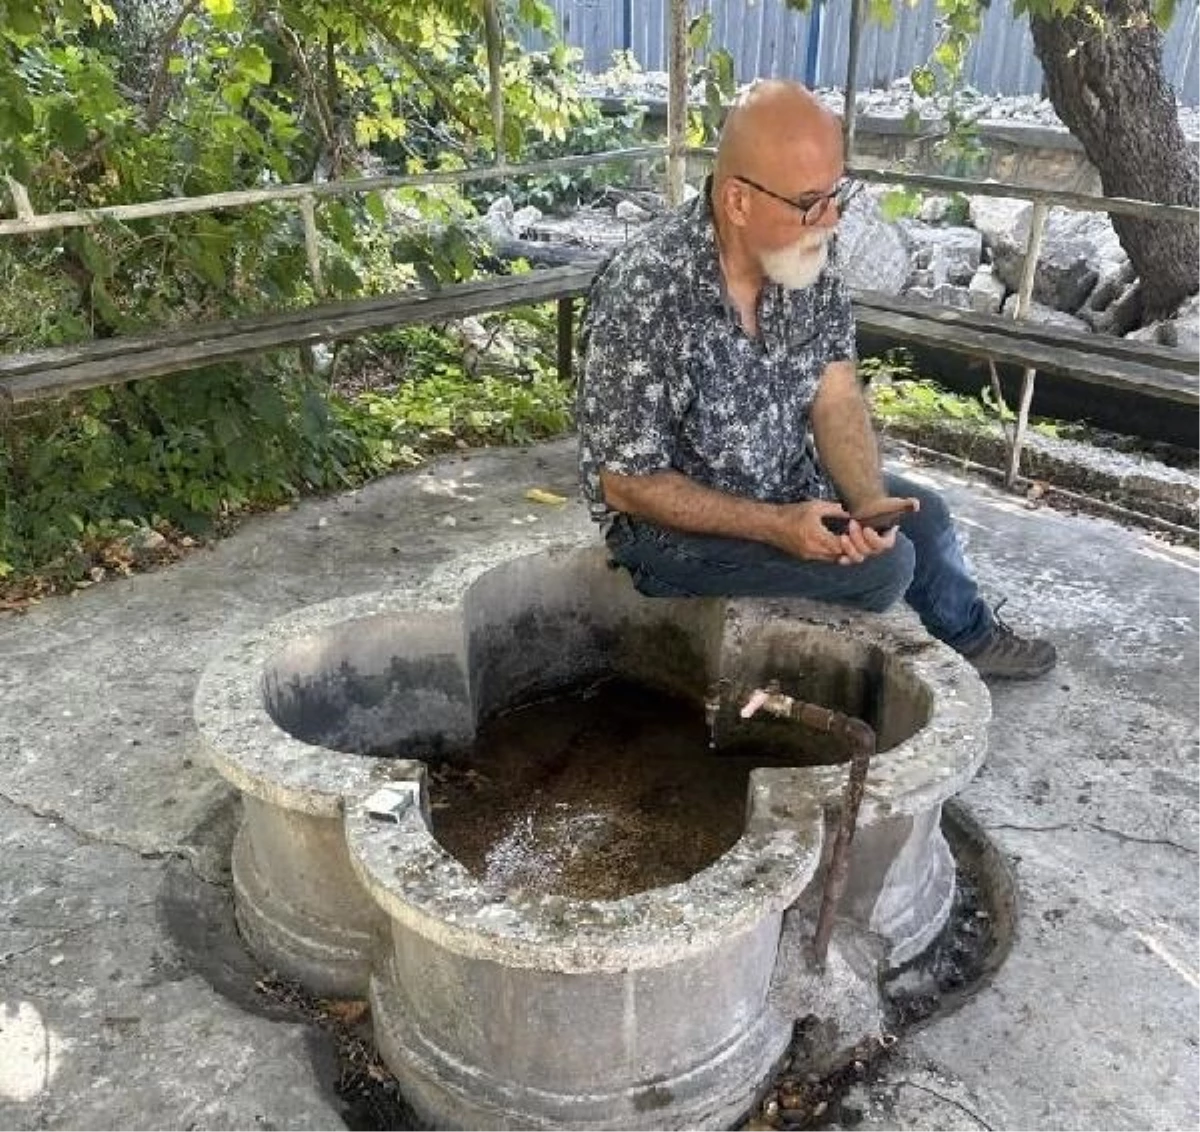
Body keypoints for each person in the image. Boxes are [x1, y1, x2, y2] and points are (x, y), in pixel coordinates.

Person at [576, 80, 1056, 680]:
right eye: (810, 202)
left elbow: (835, 396)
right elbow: (626, 484)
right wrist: (778, 527)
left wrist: (867, 499)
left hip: (780, 481)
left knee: (920, 518)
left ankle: (971, 634)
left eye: (837, 195)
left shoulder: (808, 266)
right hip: (664, 531)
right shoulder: (647, 292)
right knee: (887, 570)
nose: (829, 220)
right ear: (738, 202)